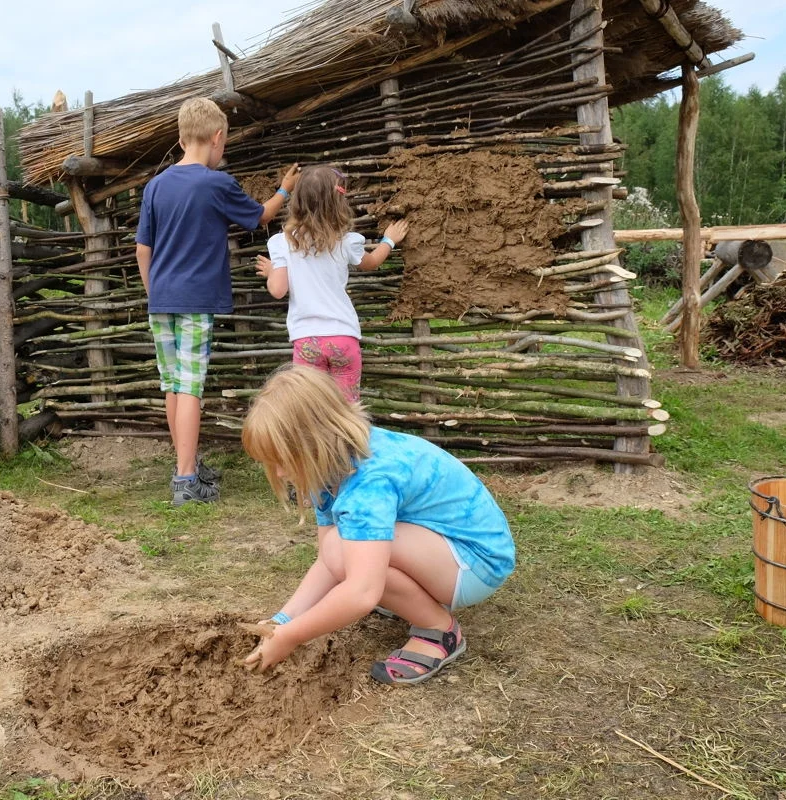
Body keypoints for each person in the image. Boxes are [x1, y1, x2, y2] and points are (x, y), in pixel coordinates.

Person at [240, 365, 515, 685]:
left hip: (477, 562)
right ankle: (413, 600)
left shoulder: (369, 482)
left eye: (283, 460)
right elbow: (327, 562)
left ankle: (440, 631)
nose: (281, 473)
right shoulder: (330, 467)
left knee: (351, 560)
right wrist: (282, 620)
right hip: (443, 552)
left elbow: (361, 593)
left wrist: (291, 637)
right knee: (339, 551)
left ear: (314, 443)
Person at [135, 97, 300, 506]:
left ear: (179, 138)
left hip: (161, 300)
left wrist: (154, 293)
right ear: (217, 138)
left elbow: (143, 249)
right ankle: (187, 480)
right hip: (195, 300)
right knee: (190, 388)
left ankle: (184, 463)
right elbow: (260, 217)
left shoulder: (156, 186)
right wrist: (285, 188)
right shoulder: (215, 183)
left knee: (173, 386)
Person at [255, 165, 408, 403]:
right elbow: (372, 262)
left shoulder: (282, 242)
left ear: (297, 201)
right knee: (346, 410)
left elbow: (278, 289)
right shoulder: (346, 241)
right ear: (338, 202)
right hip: (343, 337)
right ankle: (346, 441)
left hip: (307, 341)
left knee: (312, 408)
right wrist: (389, 240)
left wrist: (272, 271)